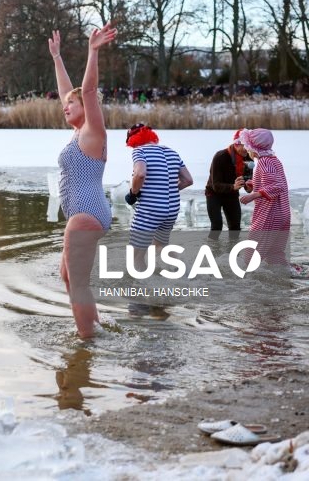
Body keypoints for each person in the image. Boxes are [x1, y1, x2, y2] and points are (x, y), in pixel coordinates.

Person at [49, 22, 116, 338]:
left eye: (70, 105)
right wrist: (57, 57)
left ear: (86, 108)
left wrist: (92, 52)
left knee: (77, 283)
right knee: (68, 275)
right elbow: (69, 92)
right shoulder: (78, 133)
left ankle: (86, 343)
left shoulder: (93, 132)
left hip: (87, 215)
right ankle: (96, 329)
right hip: (86, 213)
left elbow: (86, 91)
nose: (65, 107)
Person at [123, 124, 193, 267]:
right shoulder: (172, 152)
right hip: (171, 210)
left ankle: (140, 286)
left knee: (135, 255)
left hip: (150, 210)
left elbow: (140, 173)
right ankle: (185, 273)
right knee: (160, 246)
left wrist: (133, 193)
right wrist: (168, 190)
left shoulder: (139, 151)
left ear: (133, 140)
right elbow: (188, 180)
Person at [239, 128, 291, 268]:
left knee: (250, 256)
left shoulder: (264, 162)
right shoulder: (274, 160)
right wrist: (253, 185)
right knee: (275, 255)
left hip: (270, 215)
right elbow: (272, 181)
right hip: (282, 213)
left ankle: (246, 284)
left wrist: (253, 195)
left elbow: (277, 185)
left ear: (254, 147)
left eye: (247, 145)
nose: (246, 148)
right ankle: (285, 279)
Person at [205, 129, 253, 238]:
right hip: (214, 194)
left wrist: (249, 186)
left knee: (235, 227)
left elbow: (248, 186)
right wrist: (233, 186)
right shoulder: (220, 156)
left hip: (232, 194)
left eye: (249, 146)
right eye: (245, 146)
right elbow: (215, 185)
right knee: (217, 226)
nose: (248, 149)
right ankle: (213, 251)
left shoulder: (249, 159)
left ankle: (233, 252)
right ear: (236, 144)